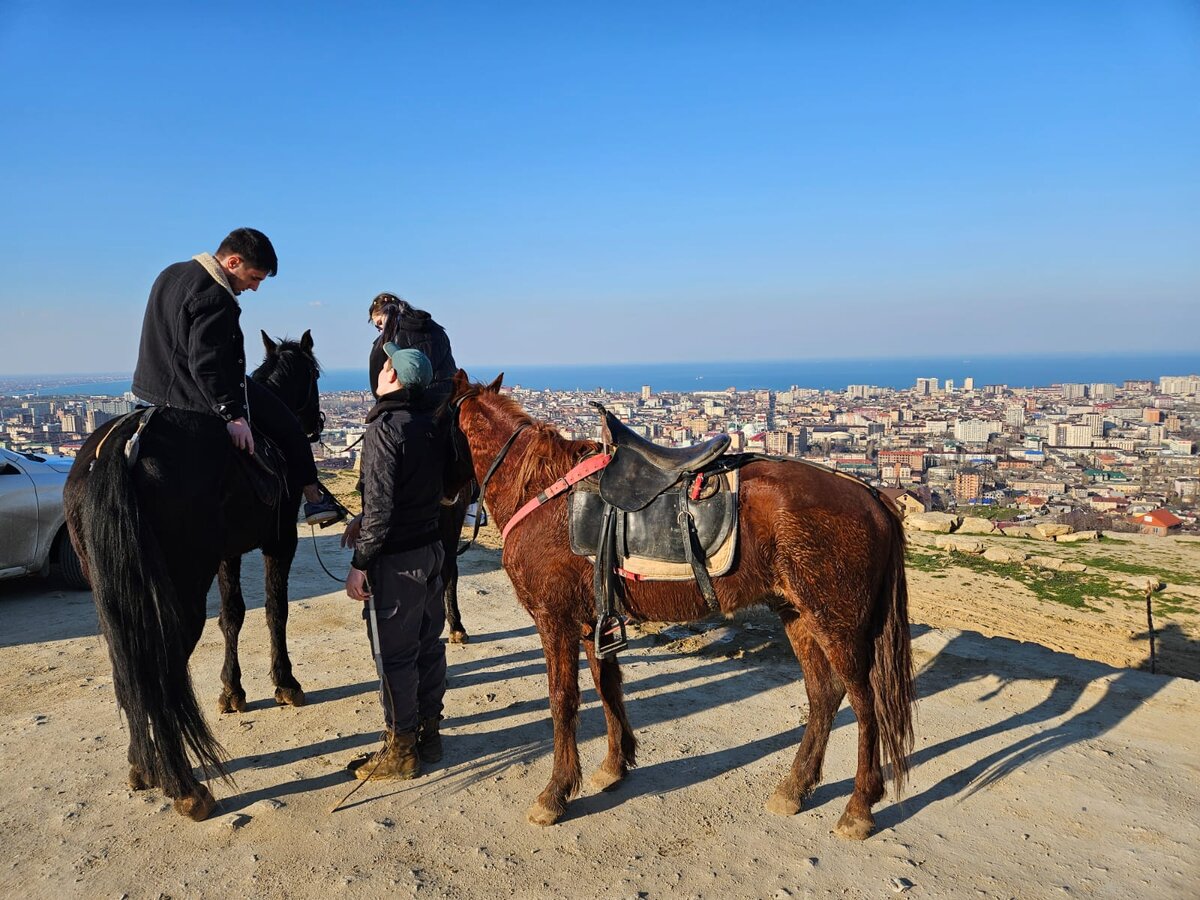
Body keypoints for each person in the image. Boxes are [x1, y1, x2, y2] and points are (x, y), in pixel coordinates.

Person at [131, 227, 346, 526]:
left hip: (151, 393)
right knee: (290, 427)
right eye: (254, 277)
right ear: (233, 262)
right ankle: (315, 500)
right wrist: (232, 415)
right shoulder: (215, 296)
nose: (254, 288)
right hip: (192, 394)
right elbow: (205, 365)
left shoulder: (171, 273)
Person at [343, 345, 448, 780]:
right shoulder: (431, 424)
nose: (380, 371)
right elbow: (417, 491)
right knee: (428, 646)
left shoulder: (386, 428)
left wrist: (360, 562)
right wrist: (364, 516)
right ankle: (429, 735)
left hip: (397, 561)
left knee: (395, 657)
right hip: (432, 551)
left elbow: (385, 508)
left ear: (396, 381)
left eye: (386, 367)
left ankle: (401, 750)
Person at [366, 293, 457, 408]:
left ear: (388, 313)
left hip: (415, 406)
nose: (380, 330)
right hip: (448, 401)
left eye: (379, 324)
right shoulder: (436, 330)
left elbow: (378, 388)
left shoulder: (390, 341)